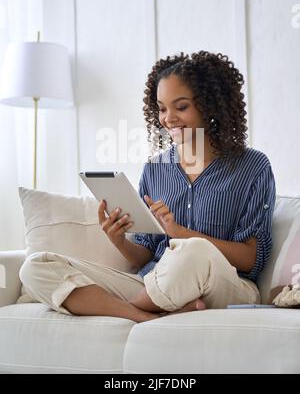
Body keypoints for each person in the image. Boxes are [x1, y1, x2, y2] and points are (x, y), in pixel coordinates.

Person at [19, 51, 276, 323]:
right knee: (36, 266)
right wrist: (118, 240)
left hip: (226, 286)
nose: (168, 118)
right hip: (155, 282)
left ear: (210, 106)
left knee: (194, 251)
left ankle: (123, 306)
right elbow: (145, 257)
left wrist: (182, 234)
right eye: (162, 108)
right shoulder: (155, 169)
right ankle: (144, 316)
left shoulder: (253, 166)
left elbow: (252, 258)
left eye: (181, 106)